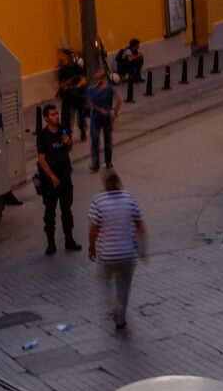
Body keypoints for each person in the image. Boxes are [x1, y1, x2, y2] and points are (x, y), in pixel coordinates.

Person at [87, 172, 147, 332]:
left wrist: (91, 247)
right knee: (124, 287)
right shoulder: (129, 198)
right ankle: (120, 316)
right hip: (128, 254)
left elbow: (94, 228)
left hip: (107, 255)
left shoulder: (98, 201)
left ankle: (111, 307)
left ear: (105, 185)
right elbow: (140, 225)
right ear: (119, 183)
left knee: (104, 280)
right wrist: (143, 248)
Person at [35, 104, 81, 257]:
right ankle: (51, 244)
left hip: (65, 176)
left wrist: (68, 141)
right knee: (50, 212)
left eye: (57, 113)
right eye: (53, 114)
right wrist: (52, 177)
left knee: (66, 210)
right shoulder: (42, 136)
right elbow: (41, 159)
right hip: (50, 180)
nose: (56, 116)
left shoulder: (63, 129)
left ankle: (69, 239)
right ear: (46, 118)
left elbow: (69, 147)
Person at [85, 68, 120, 173]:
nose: (97, 75)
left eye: (99, 73)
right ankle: (97, 164)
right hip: (97, 117)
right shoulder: (92, 89)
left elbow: (119, 100)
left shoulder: (107, 89)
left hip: (103, 117)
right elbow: (89, 103)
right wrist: (100, 109)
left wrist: (115, 113)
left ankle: (106, 162)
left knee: (106, 140)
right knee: (97, 140)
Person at [55, 49, 87, 142]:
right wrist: (62, 86)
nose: (60, 57)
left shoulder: (76, 67)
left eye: (62, 55)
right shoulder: (62, 70)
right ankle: (68, 136)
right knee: (65, 119)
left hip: (78, 95)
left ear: (68, 57)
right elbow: (59, 83)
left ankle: (83, 131)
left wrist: (77, 85)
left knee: (81, 116)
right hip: (67, 96)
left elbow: (84, 79)